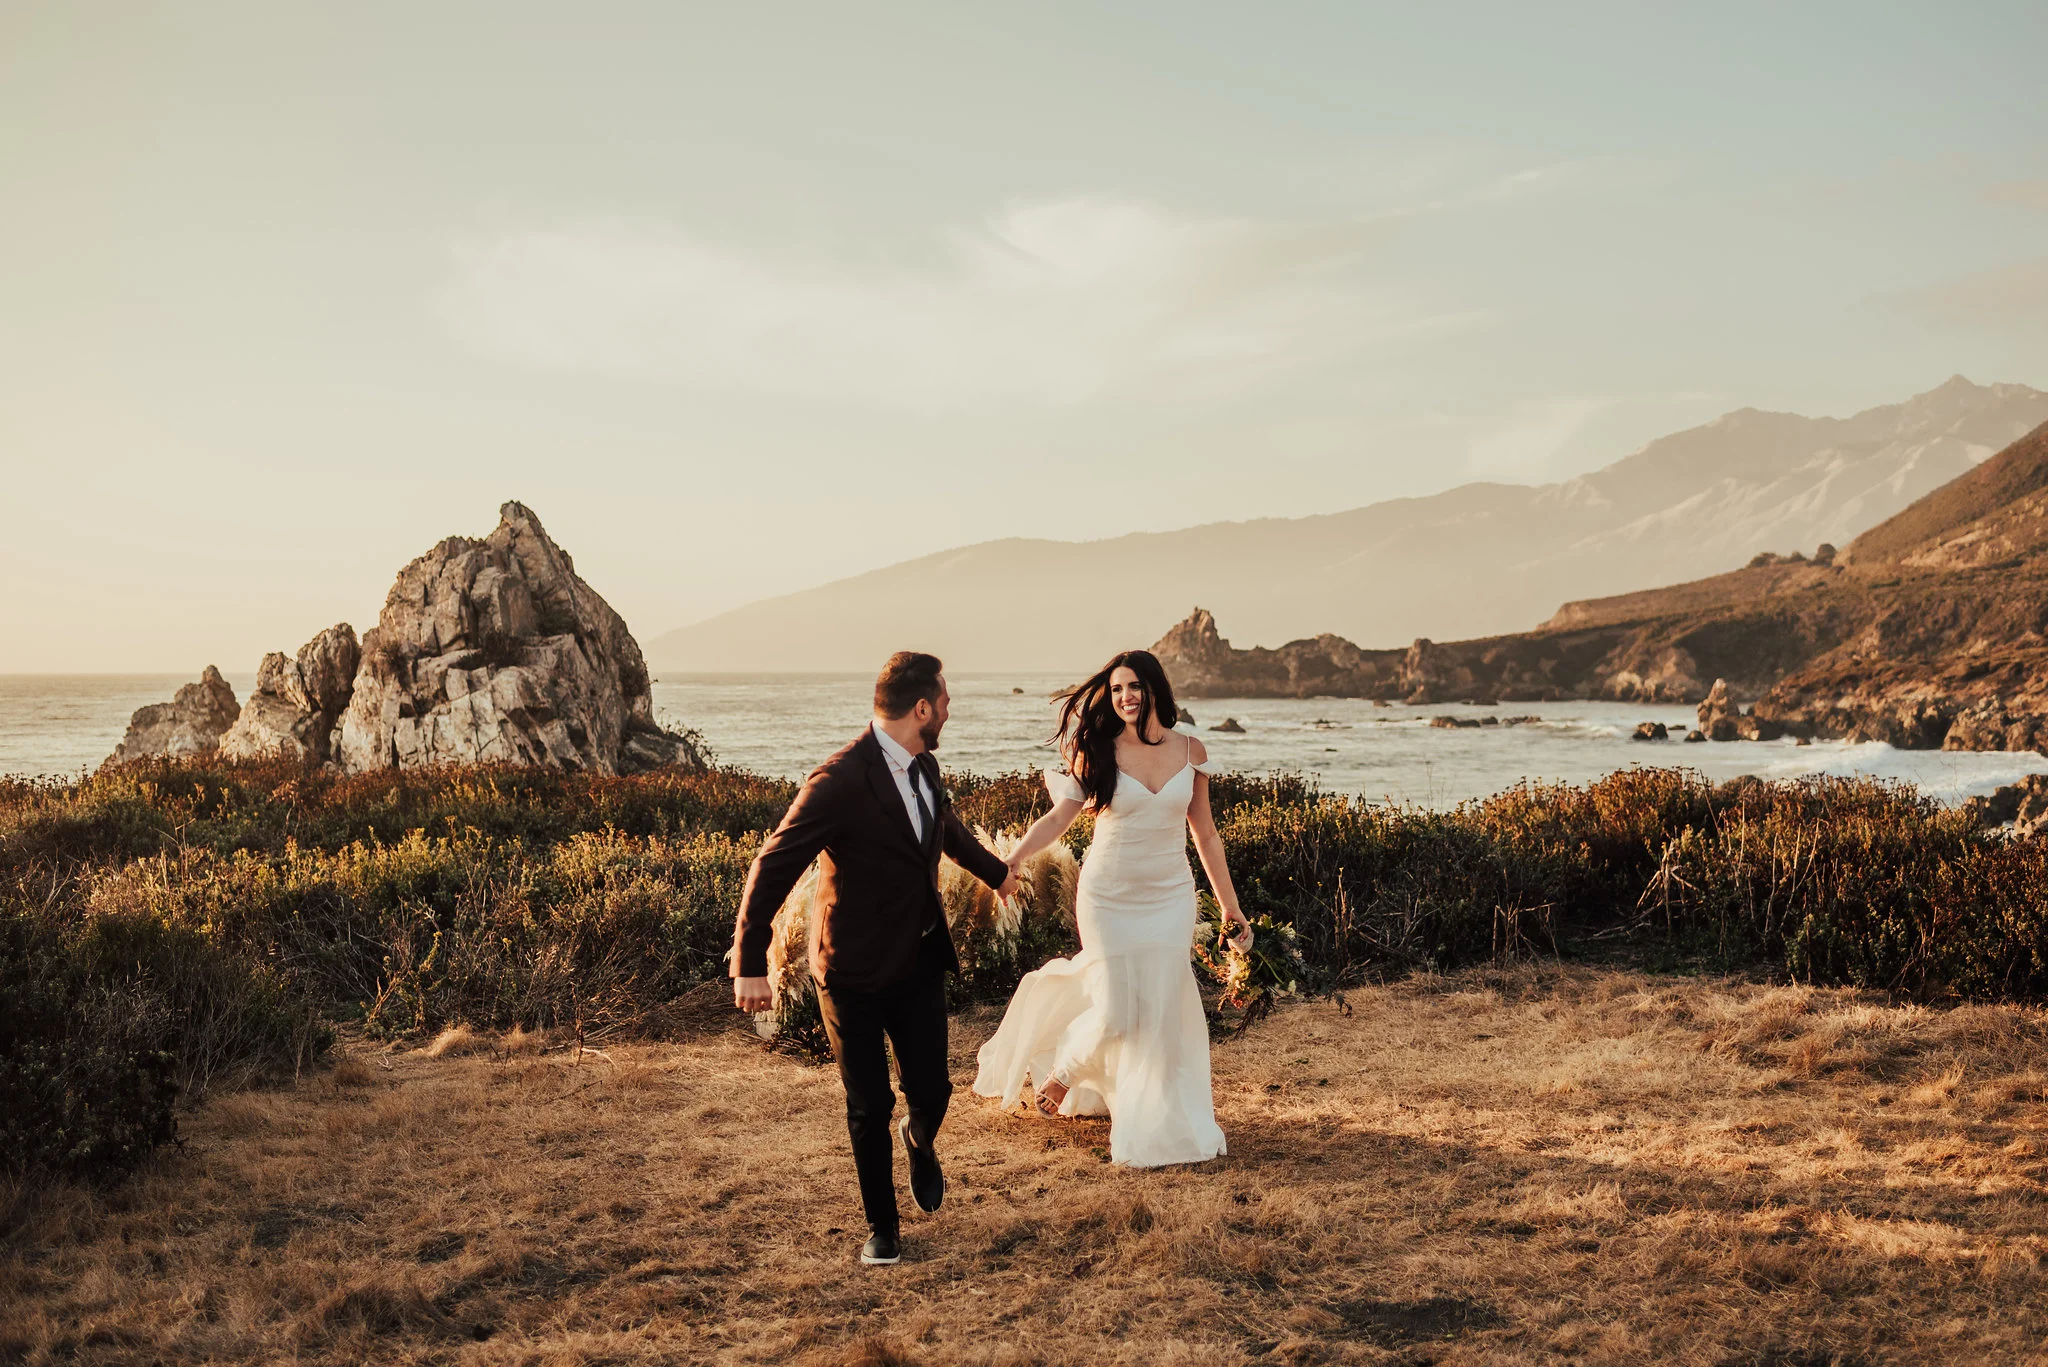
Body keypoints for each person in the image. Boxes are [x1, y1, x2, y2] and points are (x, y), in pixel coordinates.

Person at [730, 652, 1019, 1267]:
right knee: (868, 1104)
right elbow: (773, 864)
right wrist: (750, 958)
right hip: (851, 971)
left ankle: (919, 1138)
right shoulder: (839, 781)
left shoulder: (924, 765)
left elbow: (944, 830)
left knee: (933, 1091)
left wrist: (997, 874)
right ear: (921, 708)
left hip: (917, 959)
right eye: (944, 700)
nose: (948, 709)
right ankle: (883, 1227)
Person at [972, 649, 1253, 1168]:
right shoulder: (1097, 751)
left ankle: (1157, 1117)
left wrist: (1231, 909)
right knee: (1119, 1009)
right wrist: (1010, 861)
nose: (1126, 697)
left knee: (1161, 1009)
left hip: (1170, 897)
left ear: (1154, 691)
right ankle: (1065, 1070)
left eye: (1135, 687)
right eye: (1118, 688)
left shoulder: (1191, 751)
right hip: (1108, 897)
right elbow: (1060, 819)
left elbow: (1207, 834)